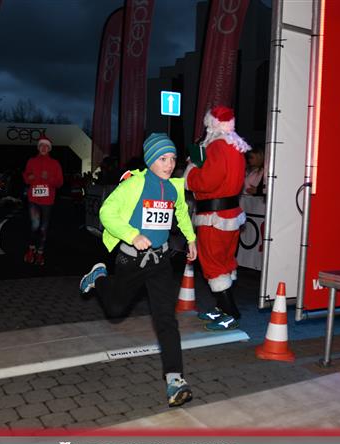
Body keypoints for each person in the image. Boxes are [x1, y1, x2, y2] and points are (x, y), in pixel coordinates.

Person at [79, 133, 197, 407]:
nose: (169, 165)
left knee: (166, 319)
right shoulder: (135, 185)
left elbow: (181, 212)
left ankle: (175, 380)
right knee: (115, 310)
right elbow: (107, 212)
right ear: (150, 160)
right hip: (131, 261)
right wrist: (132, 235)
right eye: (162, 159)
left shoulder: (174, 187)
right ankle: (99, 278)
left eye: (173, 159)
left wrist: (190, 238)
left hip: (161, 262)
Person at [184, 106, 249, 330]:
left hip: (214, 217)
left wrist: (192, 169)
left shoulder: (217, 147)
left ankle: (231, 313)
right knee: (225, 262)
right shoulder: (235, 146)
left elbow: (208, 181)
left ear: (212, 125)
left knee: (213, 264)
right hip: (230, 215)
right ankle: (222, 308)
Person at [22, 135, 63, 266]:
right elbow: (26, 176)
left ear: (49, 149)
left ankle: (40, 252)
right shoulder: (31, 161)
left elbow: (60, 182)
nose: (44, 148)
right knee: (35, 225)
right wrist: (29, 177)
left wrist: (49, 178)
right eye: (41, 146)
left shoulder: (55, 163)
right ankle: (31, 249)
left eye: (46, 146)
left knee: (44, 228)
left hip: (47, 201)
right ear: (38, 148)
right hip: (33, 199)